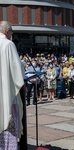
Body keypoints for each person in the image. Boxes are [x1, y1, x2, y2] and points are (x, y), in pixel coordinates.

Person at [0, 21, 24, 149]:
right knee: (9, 123)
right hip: (7, 94)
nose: (12, 34)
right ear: (7, 31)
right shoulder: (8, 44)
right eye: (11, 32)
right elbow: (17, 72)